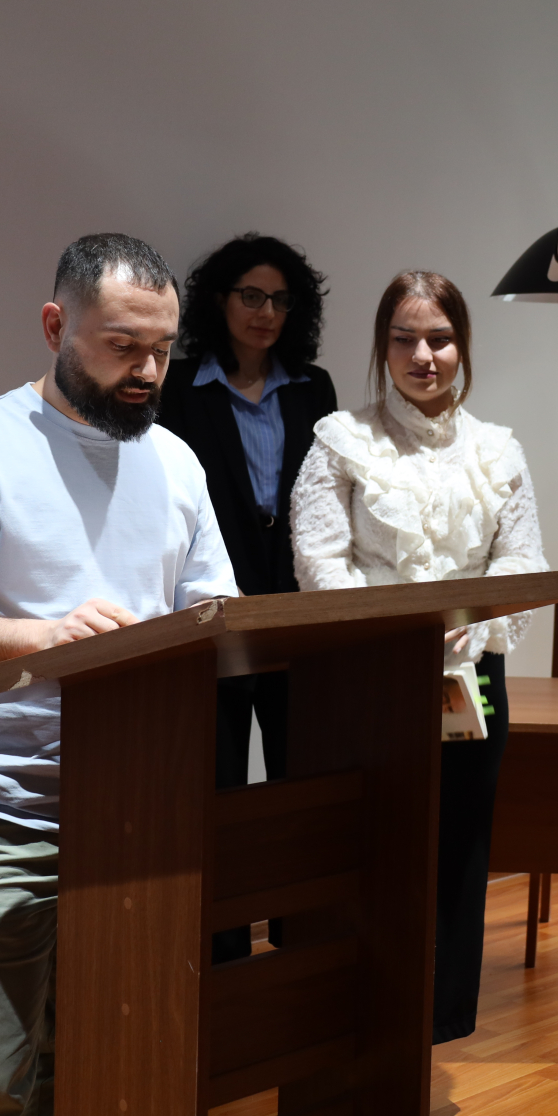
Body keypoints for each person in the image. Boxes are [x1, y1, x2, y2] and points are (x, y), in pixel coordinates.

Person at [0, 234, 237, 1116]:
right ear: (54, 326)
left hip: (142, 813)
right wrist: (43, 638)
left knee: (102, 1076)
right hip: (5, 810)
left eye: (163, 349)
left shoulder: (177, 462)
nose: (147, 371)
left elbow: (215, 614)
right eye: (123, 346)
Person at [288, 270, 547, 1044]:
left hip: (471, 672)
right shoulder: (342, 440)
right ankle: (358, 1010)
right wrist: (392, 627)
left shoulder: (498, 449)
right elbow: (319, 560)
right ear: (383, 347)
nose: (423, 356)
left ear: (462, 346)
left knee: (460, 841)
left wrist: (475, 619)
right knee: (369, 836)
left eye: (439, 339)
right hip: (368, 674)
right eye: (404, 339)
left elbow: (522, 561)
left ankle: (443, 1018)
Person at [157, 233, 337, 786]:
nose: (267, 313)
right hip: (215, 603)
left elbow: (325, 499)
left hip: (295, 603)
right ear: (220, 299)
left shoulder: (312, 388)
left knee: (302, 772)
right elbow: (169, 503)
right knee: (218, 777)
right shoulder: (180, 387)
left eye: (280, 301)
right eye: (252, 297)